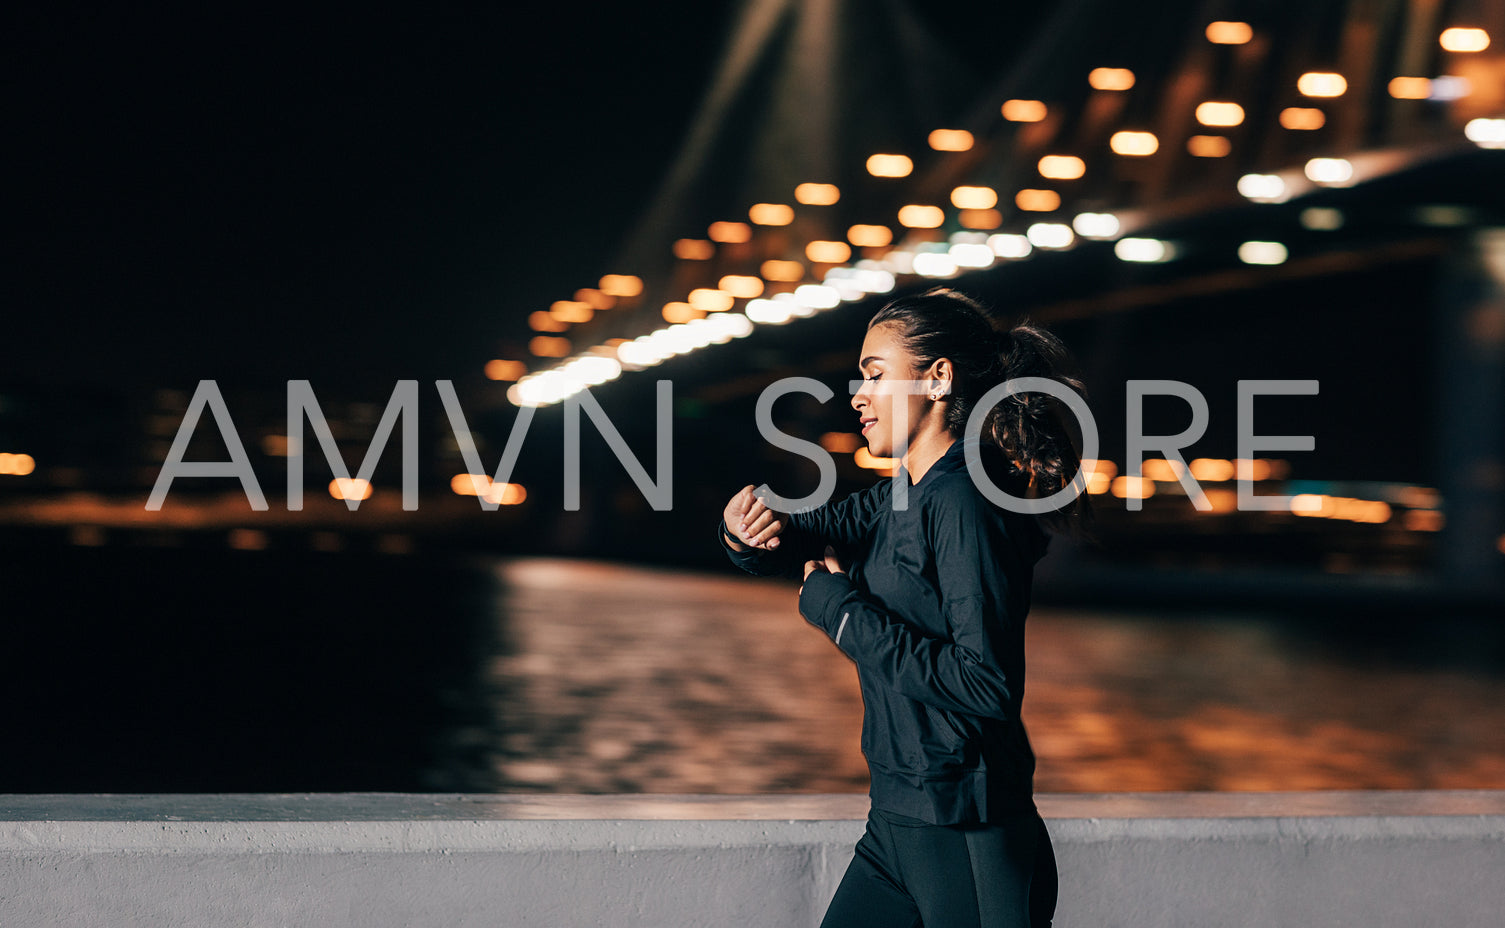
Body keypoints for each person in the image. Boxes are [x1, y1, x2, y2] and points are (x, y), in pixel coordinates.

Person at [717, 287, 1092, 928]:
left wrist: (841, 613)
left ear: (938, 379)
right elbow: (803, 534)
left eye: (875, 374)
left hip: (966, 826)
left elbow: (987, 683)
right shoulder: (901, 494)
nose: (857, 395)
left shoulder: (966, 501)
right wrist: (745, 533)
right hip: (896, 821)